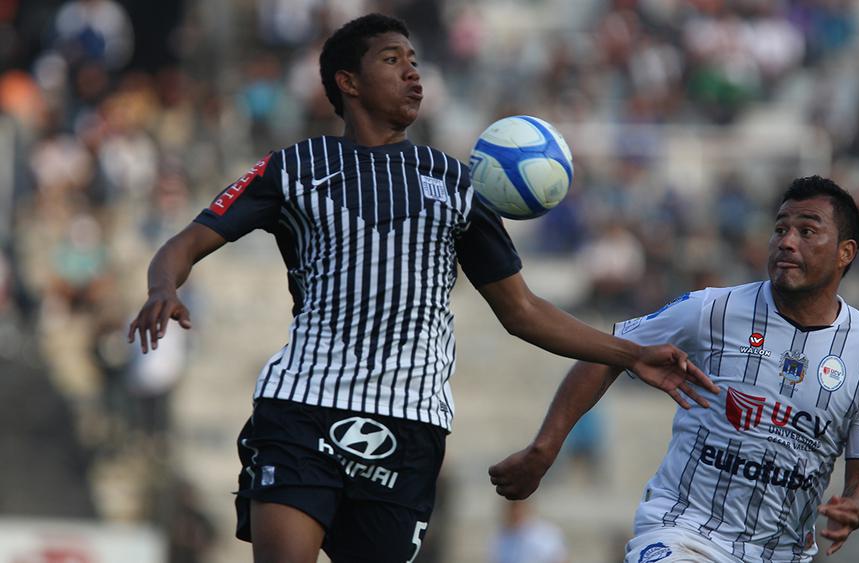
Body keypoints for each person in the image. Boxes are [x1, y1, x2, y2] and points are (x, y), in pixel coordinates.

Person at [127, 13, 718, 563]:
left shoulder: (458, 184)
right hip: (302, 407)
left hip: (408, 424)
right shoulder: (294, 168)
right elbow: (184, 242)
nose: (413, 71)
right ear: (348, 82)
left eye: (414, 59)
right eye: (391, 59)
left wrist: (631, 354)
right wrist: (162, 286)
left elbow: (522, 310)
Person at [489, 176, 859, 562]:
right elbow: (606, 354)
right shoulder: (712, 311)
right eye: (780, 229)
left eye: (806, 232)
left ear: (846, 252)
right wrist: (545, 447)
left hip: (782, 551)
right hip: (683, 531)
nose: (787, 242)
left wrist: (857, 508)